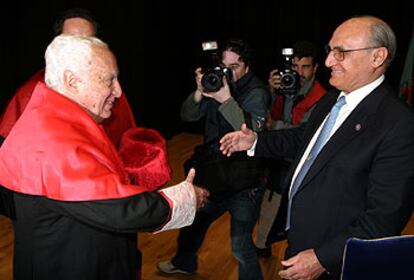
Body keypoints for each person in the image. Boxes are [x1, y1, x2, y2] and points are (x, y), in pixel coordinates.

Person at [220, 15, 414, 279]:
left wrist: (324, 258)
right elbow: (305, 138)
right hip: (300, 242)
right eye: (330, 51)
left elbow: (384, 217)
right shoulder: (333, 98)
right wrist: (256, 141)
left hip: (334, 261)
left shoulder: (398, 124)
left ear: (377, 57)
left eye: (341, 52)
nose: (328, 62)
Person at [0, 35, 209, 280]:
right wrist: (185, 198)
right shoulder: (52, 139)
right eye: (110, 79)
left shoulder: (52, 119)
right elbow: (120, 209)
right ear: (72, 81)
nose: (119, 91)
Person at [157, 38, 269, 280]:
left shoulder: (256, 92)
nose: (227, 73)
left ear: (247, 67)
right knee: (193, 222)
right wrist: (200, 91)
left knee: (240, 246)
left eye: (234, 67)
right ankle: (184, 262)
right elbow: (186, 116)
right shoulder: (215, 84)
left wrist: (226, 99)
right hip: (215, 173)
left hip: (245, 180)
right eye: (223, 67)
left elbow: (250, 130)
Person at [0, 7, 136, 149]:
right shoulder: (28, 95)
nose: (81, 49)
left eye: (89, 41)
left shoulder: (112, 95)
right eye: (73, 41)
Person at [256, 40, 326, 257]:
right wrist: (270, 90)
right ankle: (263, 246)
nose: (299, 72)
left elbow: (302, 135)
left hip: (300, 165)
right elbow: (265, 115)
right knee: (268, 209)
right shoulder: (284, 87)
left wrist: (271, 128)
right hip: (275, 161)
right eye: (295, 67)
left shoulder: (321, 97)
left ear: (315, 68)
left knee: (297, 218)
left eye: (305, 67)